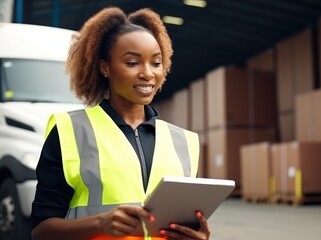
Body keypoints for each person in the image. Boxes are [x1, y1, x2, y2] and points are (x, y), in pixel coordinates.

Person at [30, 7, 210, 240]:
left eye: (156, 63)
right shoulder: (69, 131)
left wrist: (197, 236)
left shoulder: (184, 142)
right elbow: (40, 231)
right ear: (106, 67)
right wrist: (100, 223)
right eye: (133, 62)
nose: (148, 73)